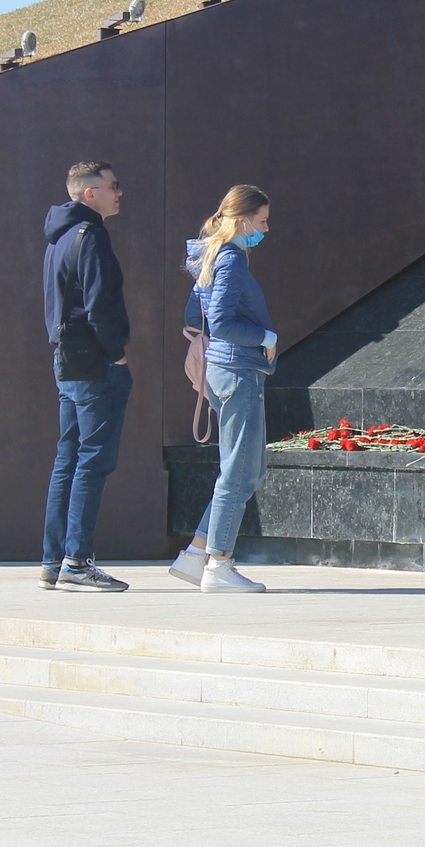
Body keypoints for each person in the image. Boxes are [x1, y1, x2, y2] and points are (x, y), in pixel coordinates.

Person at [169, 185, 279, 593]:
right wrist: (266, 337)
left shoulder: (213, 256)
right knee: (237, 471)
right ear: (242, 219)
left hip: (226, 372)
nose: (265, 230)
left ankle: (199, 553)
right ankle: (218, 563)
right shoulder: (230, 259)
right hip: (237, 372)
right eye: (262, 221)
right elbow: (222, 323)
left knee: (248, 469)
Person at [41, 161, 134, 592]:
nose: (120, 193)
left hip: (67, 362)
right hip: (95, 365)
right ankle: (76, 563)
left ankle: (53, 562)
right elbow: (99, 305)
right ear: (89, 194)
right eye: (113, 186)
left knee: (68, 461)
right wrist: (115, 354)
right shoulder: (91, 235)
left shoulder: (58, 237)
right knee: (92, 464)